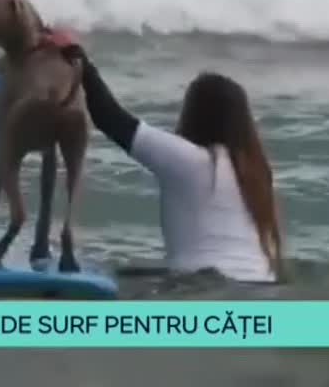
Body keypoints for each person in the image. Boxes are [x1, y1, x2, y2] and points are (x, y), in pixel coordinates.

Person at [46, 31, 284, 283]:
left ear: (195, 114)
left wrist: (77, 56)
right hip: (261, 286)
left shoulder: (189, 160)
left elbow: (110, 118)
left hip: (206, 288)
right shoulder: (256, 173)